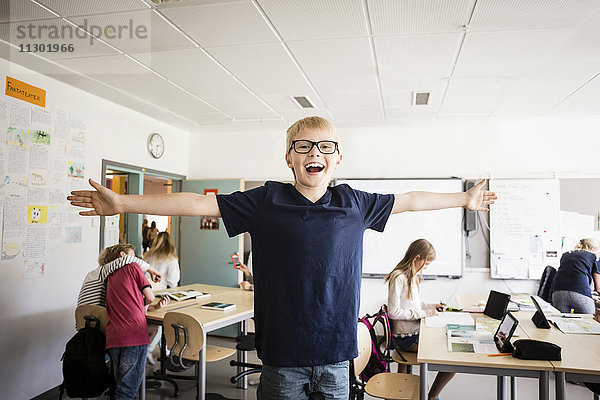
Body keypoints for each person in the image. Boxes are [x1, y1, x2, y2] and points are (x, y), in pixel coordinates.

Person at [68, 116, 496, 400]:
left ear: (338, 159)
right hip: (280, 356)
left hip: (335, 354)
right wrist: (123, 203)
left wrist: (465, 198)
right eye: (304, 146)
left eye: (325, 147)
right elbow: (199, 203)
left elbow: (410, 199)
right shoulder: (264, 201)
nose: (315, 154)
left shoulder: (356, 203)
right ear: (288, 156)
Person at [99, 243, 168, 400]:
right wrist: (151, 302)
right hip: (134, 336)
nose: (136, 259)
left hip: (114, 338)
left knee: (118, 386)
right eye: (132, 256)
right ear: (123, 257)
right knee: (127, 391)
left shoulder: (108, 276)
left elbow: (127, 304)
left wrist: (154, 307)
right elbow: (149, 297)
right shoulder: (133, 268)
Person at [386, 239, 453, 400]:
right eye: (426, 263)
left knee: (444, 340)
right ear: (417, 258)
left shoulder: (412, 277)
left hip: (414, 331)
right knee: (451, 360)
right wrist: (423, 313)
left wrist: (432, 306)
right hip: (405, 337)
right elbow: (393, 312)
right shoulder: (398, 277)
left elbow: (414, 304)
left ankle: (428, 395)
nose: (426, 267)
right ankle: (432, 396)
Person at [143, 231, 181, 364]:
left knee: (151, 321)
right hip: (160, 293)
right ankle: (151, 349)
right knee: (162, 322)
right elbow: (173, 282)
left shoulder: (149, 255)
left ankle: (157, 348)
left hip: (145, 290)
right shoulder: (171, 259)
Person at [77, 250, 161, 307]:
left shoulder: (94, 275)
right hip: (98, 322)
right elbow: (127, 259)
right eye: (134, 257)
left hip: (84, 321)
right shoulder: (103, 271)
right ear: (122, 255)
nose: (136, 260)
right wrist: (152, 271)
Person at [551, 238, 600, 314]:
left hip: (558, 293)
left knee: (562, 322)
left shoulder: (566, 254)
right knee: (589, 321)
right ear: (593, 248)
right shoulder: (593, 256)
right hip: (579, 293)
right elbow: (598, 288)